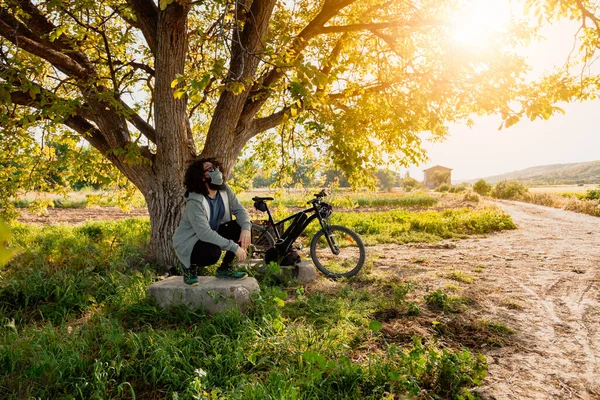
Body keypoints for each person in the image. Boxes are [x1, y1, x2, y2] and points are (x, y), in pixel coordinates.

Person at [173, 157, 251, 284]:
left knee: (239, 227)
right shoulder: (195, 201)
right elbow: (204, 233)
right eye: (210, 169)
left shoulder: (224, 190)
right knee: (213, 253)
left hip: (210, 233)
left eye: (215, 168)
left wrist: (246, 229)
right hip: (190, 241)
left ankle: (225, 269)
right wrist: (234, 247)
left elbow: (240, 210)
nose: (216, 171)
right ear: (202, 177)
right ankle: (189, 266)